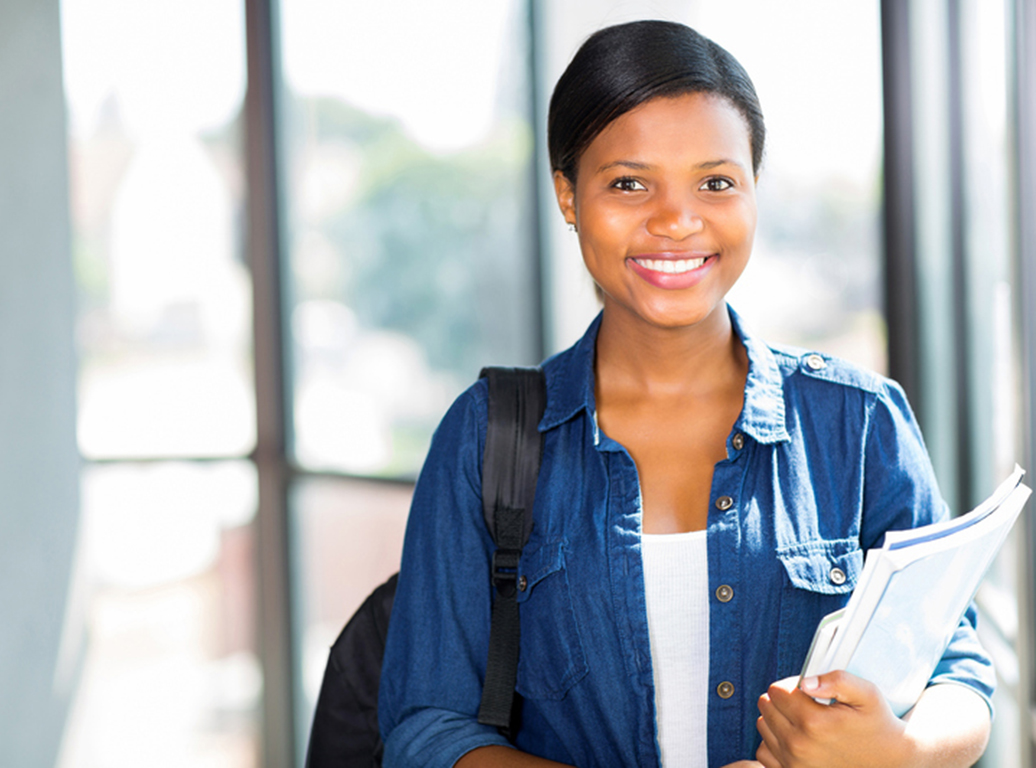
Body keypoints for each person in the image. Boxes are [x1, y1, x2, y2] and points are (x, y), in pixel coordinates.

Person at [378, 20, 995, 768]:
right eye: (629, 183)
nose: (677, 221)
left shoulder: (859, 424)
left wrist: (899, 750)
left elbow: (958, 673)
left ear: (753, 191)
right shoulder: (487, 438)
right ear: (568, 195)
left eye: (716, 182)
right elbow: (426, 729)